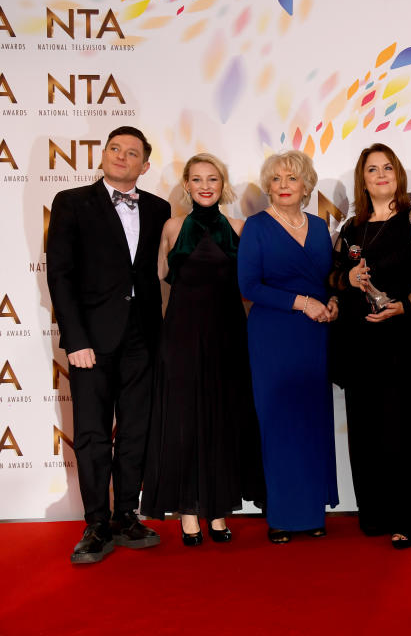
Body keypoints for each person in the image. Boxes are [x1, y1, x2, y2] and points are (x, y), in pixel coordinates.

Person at [46, 126, 171, 564]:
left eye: (132, 152)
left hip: (143, 338)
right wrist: (74, 338)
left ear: (145, 165)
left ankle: (126, 516)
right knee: (93, 434)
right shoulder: (72, 203)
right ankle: (96, 524)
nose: (121, 157)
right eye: (115, 149)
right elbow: (60, 276)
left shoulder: (160, 208)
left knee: (136, 431)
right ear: (103, 156)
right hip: (91, 341)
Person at [329, 143, 411, 549]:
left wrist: (404, 304)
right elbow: (331, 278)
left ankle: (407, 520)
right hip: (358, 343)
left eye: (387, 168)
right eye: (371, 170)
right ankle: (375, 515)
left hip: (399, 342)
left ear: (397, 174)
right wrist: (348, 279)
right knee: (362, 432)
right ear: (362, 180)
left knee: (396, 432)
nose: (380, 175)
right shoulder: (350, 230)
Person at [140, 153, 265, 546]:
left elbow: (253, 284)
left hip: (228, 335)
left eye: (213, 178)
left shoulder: (241, 227)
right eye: (197, 179)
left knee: (222, 420)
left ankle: (218, 510)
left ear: (222, 184)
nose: (205, 185)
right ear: (187, 185)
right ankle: (189, 512)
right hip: (180, 336)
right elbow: (156, 276)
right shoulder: (172, 226)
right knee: (184, 422)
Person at [237, 150, 339, 543]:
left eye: (291, 179)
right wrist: (303, 303)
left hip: (314, 336)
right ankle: (282, 516)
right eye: (276, 179)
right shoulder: (256, 226)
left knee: (311, 421)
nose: (283, 186)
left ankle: (311, 512)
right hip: (273, 335)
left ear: (305, 185)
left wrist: (332, 302)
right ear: (268, 185)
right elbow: (248, 286)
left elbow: (329, 280)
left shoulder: (317, 227)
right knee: (278, 422)